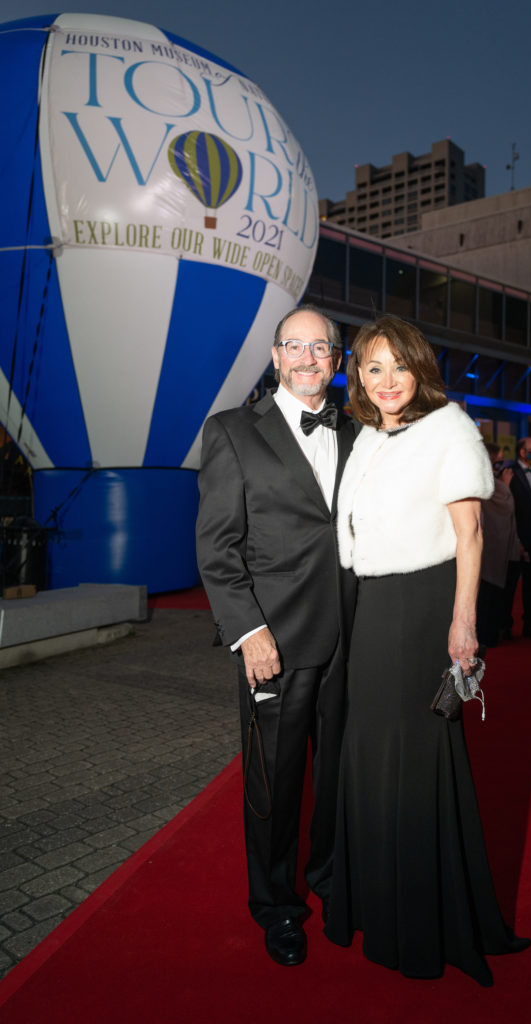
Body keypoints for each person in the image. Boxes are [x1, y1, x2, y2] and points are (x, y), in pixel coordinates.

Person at [325, 315, 531, 983]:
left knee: (415, 756)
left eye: (399, 366)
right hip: (369, 607)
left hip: (421, 608)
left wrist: (463, 623)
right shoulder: (365, 436)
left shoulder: (449, 427)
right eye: (373, 367)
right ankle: (372, 902)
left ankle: (421, 924)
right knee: (366, 748)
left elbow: (470, 535)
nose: (387, 380)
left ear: (420, 369)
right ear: (358, 375)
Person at [195, 305, 357, 967]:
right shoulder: (232, 431)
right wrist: (247, 631)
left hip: (352, 638)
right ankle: (277, 905)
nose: (307, 358)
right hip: (275, 643)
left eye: (320, 348)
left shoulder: (360, 431)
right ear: (274, 355)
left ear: (336, 361)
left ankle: (332, 880)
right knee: (274, 784)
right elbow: (216, 547)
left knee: (341, 776)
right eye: (295, 345)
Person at [501, 436, 531, 640]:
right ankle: (505, 626)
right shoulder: (510, 474)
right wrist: (515, 540)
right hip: (515, 539)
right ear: (522, 452)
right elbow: (508, 510)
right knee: (509, 586)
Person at [476, 442, 520, 654]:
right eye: (499, 461)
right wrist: (506, 485)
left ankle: (492, 632)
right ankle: (486, 636)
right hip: (489, 550)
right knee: (488, 595)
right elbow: (505, 504)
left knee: (494, 594)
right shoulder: (487, 482)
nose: (502, 466)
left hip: (499, 549)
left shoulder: (493, 481)